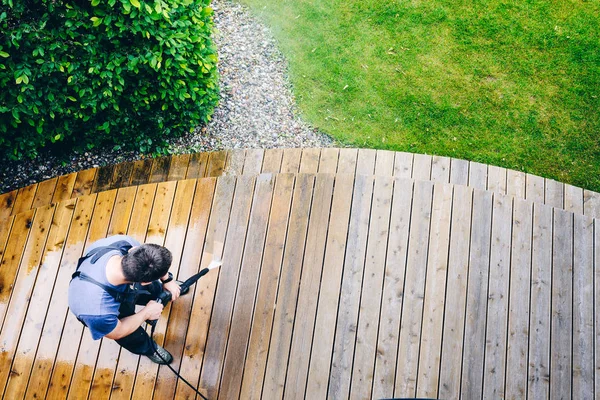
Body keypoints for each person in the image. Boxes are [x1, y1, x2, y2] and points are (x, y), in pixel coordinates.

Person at [68, 234, 181, 364]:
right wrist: (146, 313)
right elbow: (118, 331)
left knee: (155, 289)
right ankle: (149, 349)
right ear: (143, 282)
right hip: (110, 309)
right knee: (131, 336)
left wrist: (168, 281)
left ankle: (164, 293)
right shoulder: (96, 312)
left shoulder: (123, 243)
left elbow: (152, 263)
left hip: (129, 284)